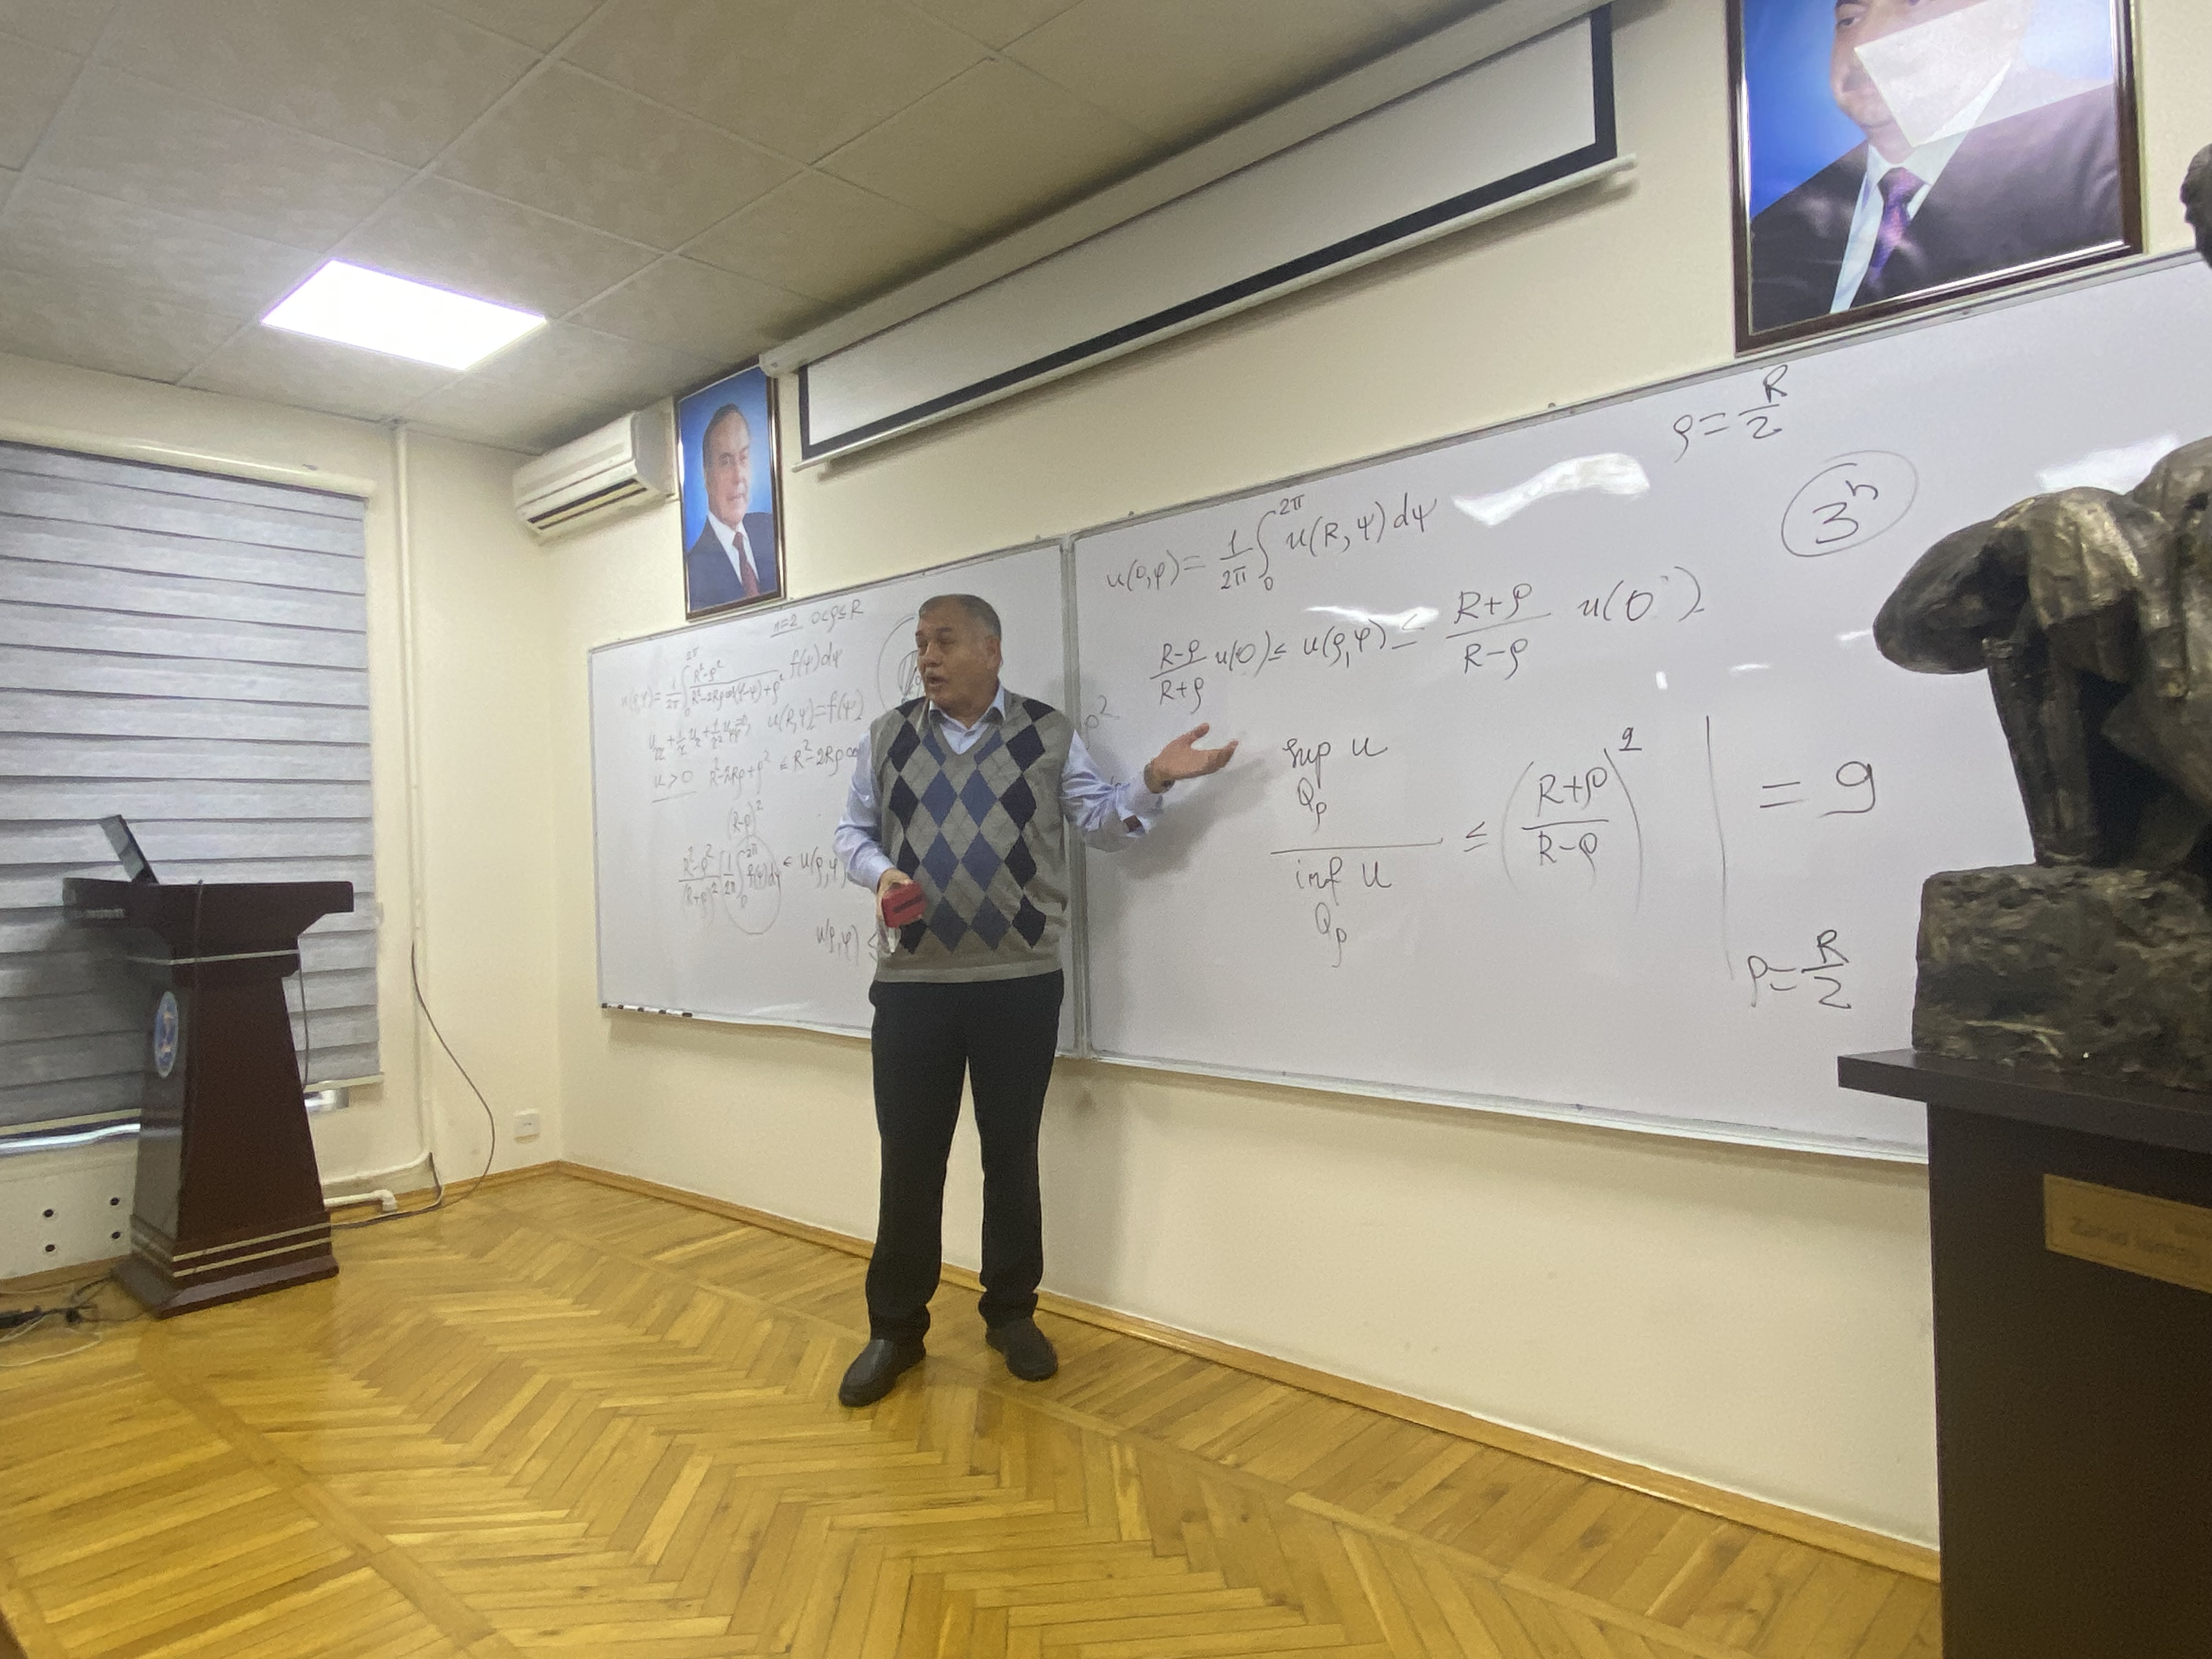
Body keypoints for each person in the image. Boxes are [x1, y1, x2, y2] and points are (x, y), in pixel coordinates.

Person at [829, 594, 1236, 1406]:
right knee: (909, 1162)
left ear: (991, 650)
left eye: (944, 641)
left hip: (1019, 986)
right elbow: (852, 834)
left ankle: (1011, 1314)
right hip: (913, 990)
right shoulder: (887, 737)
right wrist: (881, 872)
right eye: (921, 643)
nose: (927, 657)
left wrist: (1154, 780)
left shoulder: (1047, 736)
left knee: (1011, 1156)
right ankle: (895, 1330)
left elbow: (1101, 823)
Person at [1748, 0, 2124, 335]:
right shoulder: (1778, 230)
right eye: (1849, 20)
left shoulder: (2102, 137)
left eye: (1912, 5)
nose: (1865, 45)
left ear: (2009, 16)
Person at [685, 405, 778, 610]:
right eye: (726, 462)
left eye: (743, 458)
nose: (739, 477)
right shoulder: (693, 570)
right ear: (708, 476)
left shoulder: (771, 528)